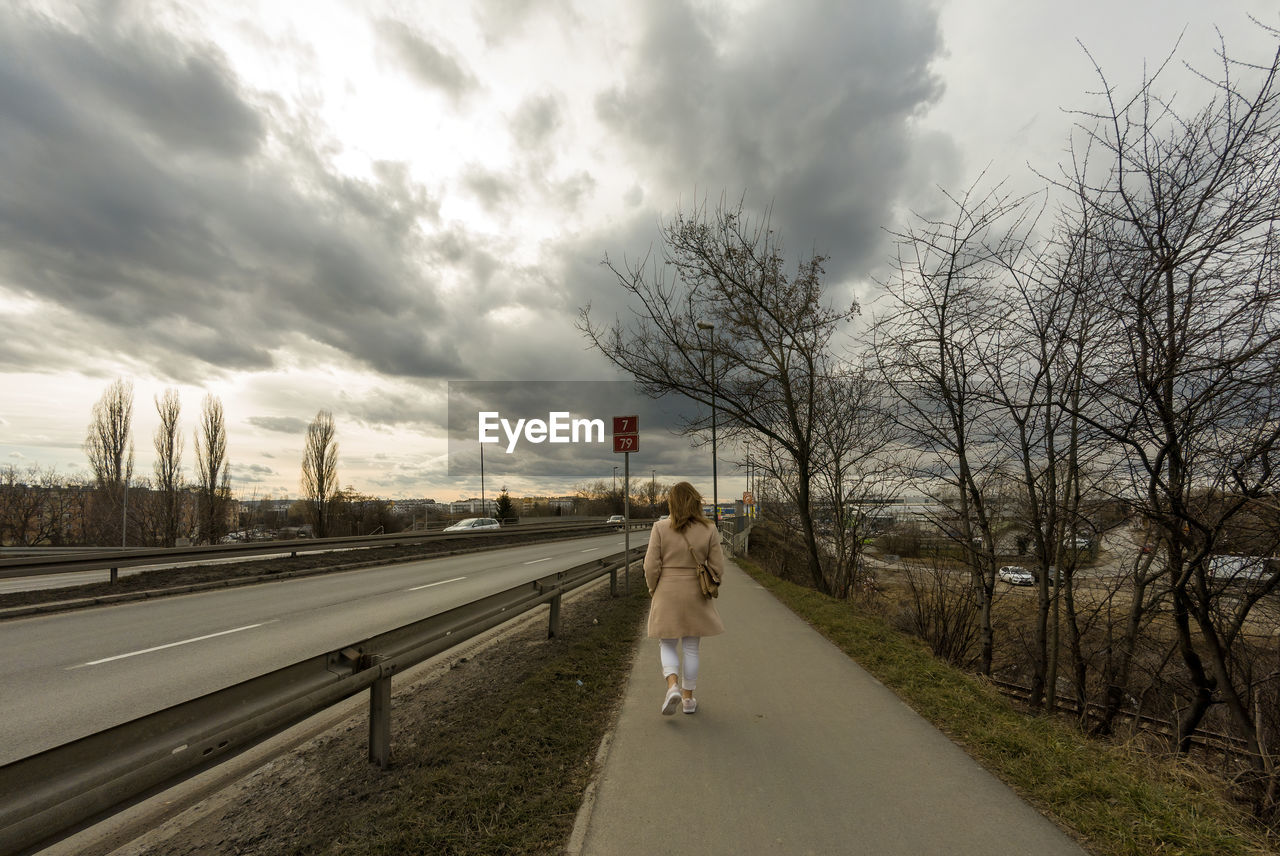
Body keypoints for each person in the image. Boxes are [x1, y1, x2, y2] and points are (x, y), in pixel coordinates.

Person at [644, 481, 725, 715]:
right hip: (695, 592)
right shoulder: (709, 529)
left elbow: (650, 566)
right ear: (696, 501)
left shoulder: (659, 528)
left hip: (666, 589)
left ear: (672, 502)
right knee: (691, 647)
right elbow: (718, 566)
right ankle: (688, 700)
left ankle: (672, 687)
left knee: (666, 642)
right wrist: (712, 583)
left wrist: (653, 589)